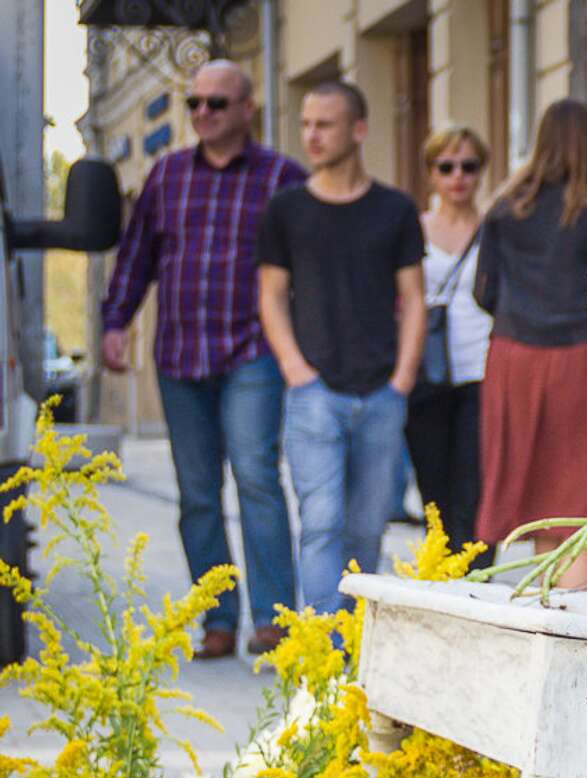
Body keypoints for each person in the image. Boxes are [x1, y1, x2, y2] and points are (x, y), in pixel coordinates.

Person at [99, 59, 304, 659]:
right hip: (180, 353)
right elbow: (136, 256)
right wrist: (116, 323)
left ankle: (273, 619)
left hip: (252, 353)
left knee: (258, 480)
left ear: (246, 109)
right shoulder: (166, 176)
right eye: (194, 103)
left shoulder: (281, 178)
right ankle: (217, 617)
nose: (202, 114)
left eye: (216, 103)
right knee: (196, 493)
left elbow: (308, 266)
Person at [256, 80, 427, 615]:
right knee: (322, 521)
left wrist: (401, 380)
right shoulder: (286, 209)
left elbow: (415, 300)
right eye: (306, 124)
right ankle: (321, 653)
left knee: (366, 530)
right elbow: (271, 295)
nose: (311, 135)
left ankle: (355, 649)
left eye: (324, 124)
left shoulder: (395, 209)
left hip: (380, 392)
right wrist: (293, 367)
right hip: (315, 393)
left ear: (358, 130)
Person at [474, 99, 587, 588]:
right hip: (582, 360)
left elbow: (482, 291)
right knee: (580, 496)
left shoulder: (506, 207)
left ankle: (555, 601)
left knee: (544, 499)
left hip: (514, 362)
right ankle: (574, 611)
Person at [409, 125, 493, 549]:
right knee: (434, 492)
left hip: (483, 370)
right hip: (428, 372)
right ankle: (441, 580)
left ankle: (475, 578)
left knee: (477, 489)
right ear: (431, 174)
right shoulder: (415, 228)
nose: (457, 176)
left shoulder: (494, 227)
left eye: (468, 166)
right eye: (446, 167)